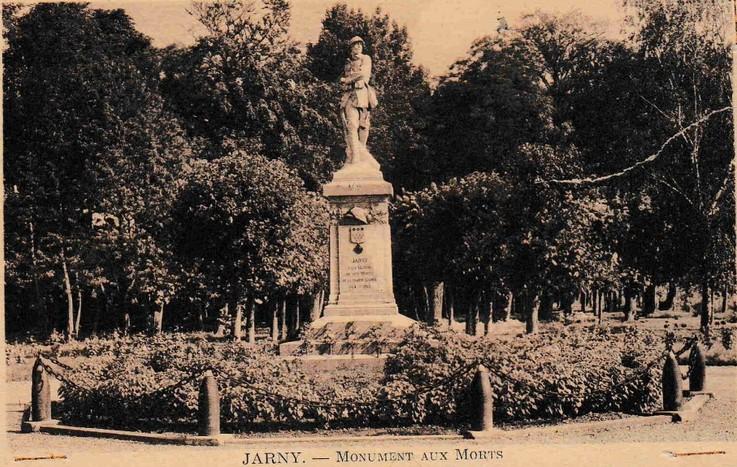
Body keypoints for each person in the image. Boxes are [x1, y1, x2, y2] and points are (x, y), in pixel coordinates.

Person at [339, 36, 379, 169]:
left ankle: (362, 156)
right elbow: (344, 82)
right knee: (351, 125)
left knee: (363, 126)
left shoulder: (366, 58)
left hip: (362, 95)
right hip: (350, 96)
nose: (357, 47)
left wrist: (346, 80)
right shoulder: (347, 63)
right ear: (351, 48)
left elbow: (363, 74)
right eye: (355, 45)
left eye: (359, 45)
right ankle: (355, 156)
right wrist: (345, 83)